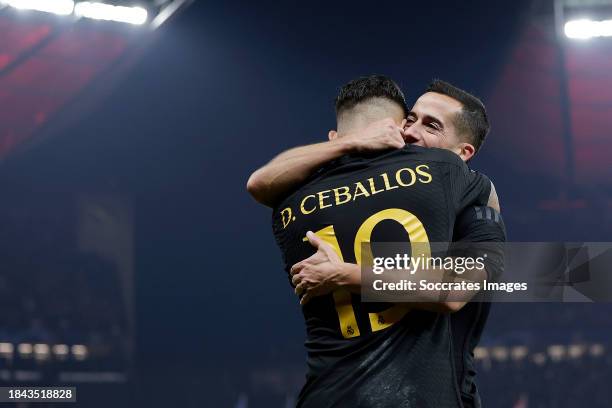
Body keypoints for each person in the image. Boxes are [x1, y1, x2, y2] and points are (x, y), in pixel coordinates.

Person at [248, 75, 505, 407]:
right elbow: (455, 290)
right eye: (409, 120)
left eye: (431, 126)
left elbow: (258, 183)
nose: (410, 132)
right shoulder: (460, 182)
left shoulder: (289, 202)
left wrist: (342, 274)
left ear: (463, 151)